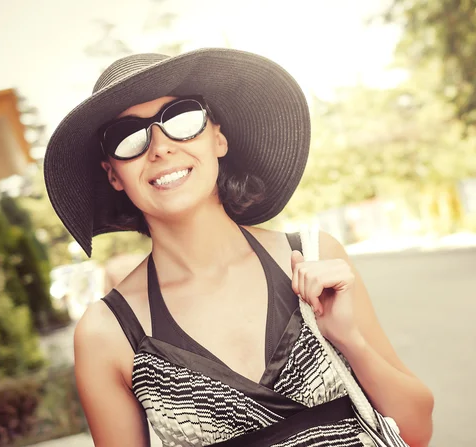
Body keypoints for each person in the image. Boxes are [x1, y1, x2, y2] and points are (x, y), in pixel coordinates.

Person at [44, 48, 434, 447]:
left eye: (181, 118)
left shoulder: (318, 256)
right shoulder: (107, 332)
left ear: (218, 138)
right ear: (113, 174)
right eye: (128, 137)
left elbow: (417, 431)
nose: (160, 147)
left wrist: (350, 339)